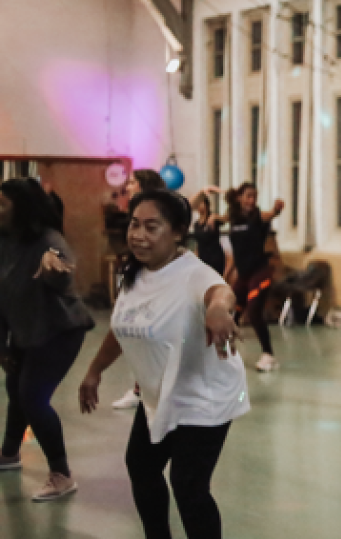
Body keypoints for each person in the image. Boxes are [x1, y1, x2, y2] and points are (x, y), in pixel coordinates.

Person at [79, 189, 248, 539]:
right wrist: (95, 370)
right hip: (160, 393)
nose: (139, 235)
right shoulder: (135, 273)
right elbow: (122, 328)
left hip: (204, 397)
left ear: (177, 231)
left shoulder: (192, 273)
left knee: (188, 486)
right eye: (134, 225)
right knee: (141, 467)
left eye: (151, 227)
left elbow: (220, 292)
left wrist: (217, 311)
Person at [0, 178, 95, 501]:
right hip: (26, 331)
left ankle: (61, 474)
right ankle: (9, 453)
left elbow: (64, 276)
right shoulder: (4, 241)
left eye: (2, 204)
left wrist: (52, 268)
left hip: (60, 331)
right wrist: (2, 346)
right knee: (14, 387)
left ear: (22, 208)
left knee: (32, 396)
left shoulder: (48, 240)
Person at [112, 170, 169, 410]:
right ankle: (141, 388)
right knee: (135, 332)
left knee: (153, 335)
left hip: (158, 280)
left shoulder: (161, 212)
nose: (128, 185)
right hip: (139, 274)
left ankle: (147, 388)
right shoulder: (134, 210)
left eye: (133, 182)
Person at [216, 183, 285, 373]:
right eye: (248, 196)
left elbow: (269, 215)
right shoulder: (234, 218)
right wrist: (226, 275)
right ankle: (223, 353)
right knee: (231, 315)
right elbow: (221, 220)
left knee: (254, 311)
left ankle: (268, 355)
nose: (252, 200)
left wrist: (276, 210)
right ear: (239, 198)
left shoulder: (258, 217)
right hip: (243, 275)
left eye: (254, 196)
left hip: (260, 272)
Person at [189, 188, 230, 278]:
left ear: (207, 205)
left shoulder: (213, 218)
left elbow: (228, 218)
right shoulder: (197, 224)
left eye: (202, 203)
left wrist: (224, 193)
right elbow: (199, 243)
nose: (199, 206)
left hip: (215, 258)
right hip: (202, 258)